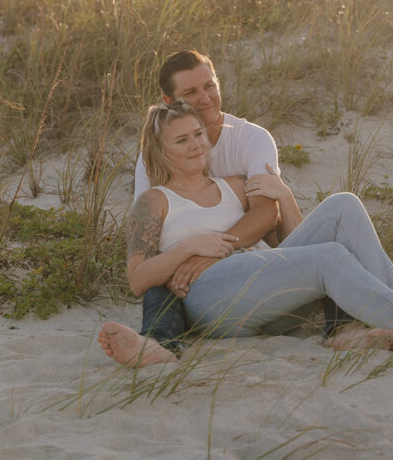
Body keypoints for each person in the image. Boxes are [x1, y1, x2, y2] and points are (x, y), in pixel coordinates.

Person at [98, 100, 393, 367]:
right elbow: (138, 278)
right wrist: (190, 247)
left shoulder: (235, 186)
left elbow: (285, 246)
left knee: (343, 205)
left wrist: (285, 199)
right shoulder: (153, 201)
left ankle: (362, 322)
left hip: (264, 291)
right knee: (326, 257)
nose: (195, 146)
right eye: (181, 140)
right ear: (161, 150)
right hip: (210, 300)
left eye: (198, 135)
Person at [128, 50, 300, 358]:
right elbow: (150, 243)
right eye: (191, 92)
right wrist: (191, 253)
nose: (205, 98)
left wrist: (213, 254)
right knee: (161, 282)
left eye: (209, 85)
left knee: (338, 217)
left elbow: (265, 214)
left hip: (247, 262)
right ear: (170, 102)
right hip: (190, 280)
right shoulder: (153, 157)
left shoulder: (250, 139)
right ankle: (157, 345)